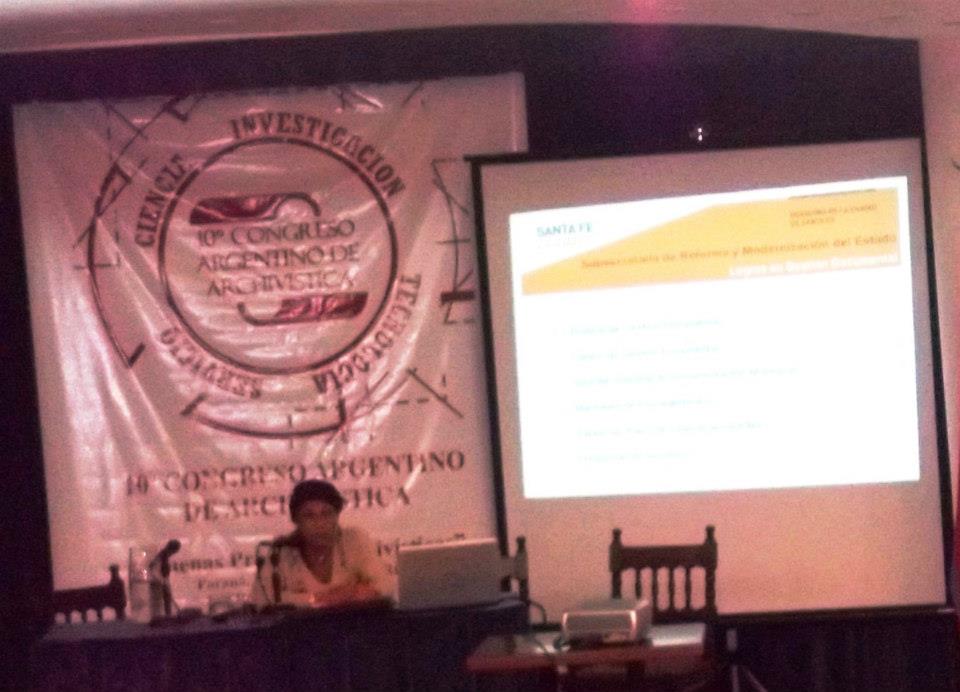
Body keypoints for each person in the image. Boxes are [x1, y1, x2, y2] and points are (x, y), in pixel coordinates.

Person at [250, 480, 392, 608]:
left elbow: (385, 586)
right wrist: (325, 598)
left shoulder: (354, 540)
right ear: (296, 520)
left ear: (336, 516)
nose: (319, 524)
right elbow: (261, 601)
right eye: (309, 515)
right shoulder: (280, 553)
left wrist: (361, 592)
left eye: (327, 513)